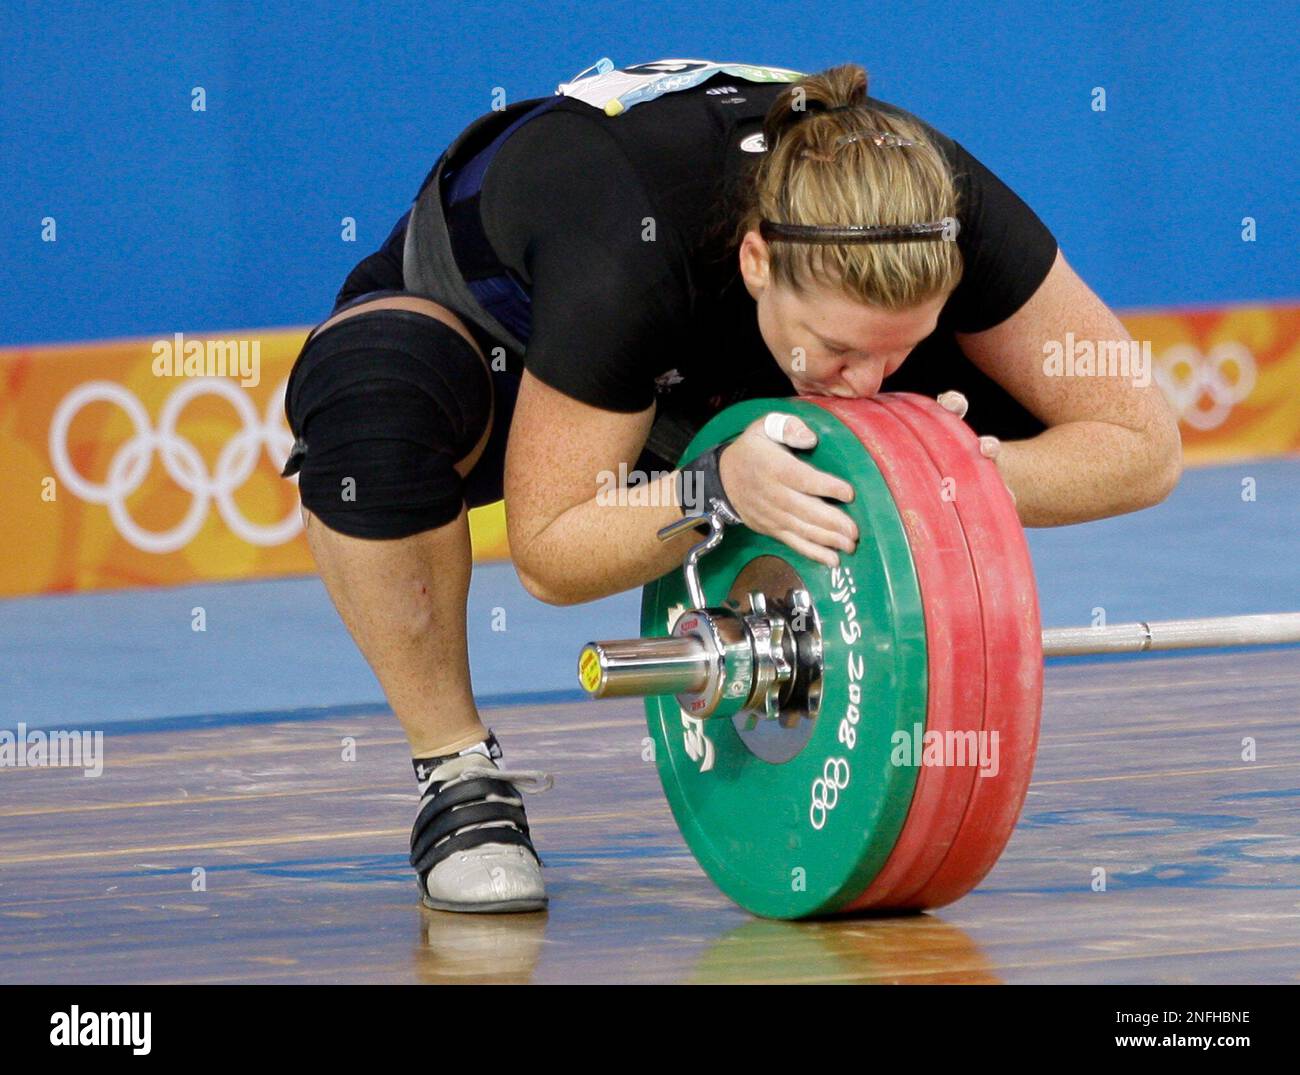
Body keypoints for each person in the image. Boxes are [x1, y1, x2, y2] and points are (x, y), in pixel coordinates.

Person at [280, 59, 1182, 913]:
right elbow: (549, 553)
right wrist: (708, 490)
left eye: (898, 348)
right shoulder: (620, 256)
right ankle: (459, 774)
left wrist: (948, 472)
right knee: (372, 408)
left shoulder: (939, 204)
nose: (867, 381)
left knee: (975, 400)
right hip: (513, 345)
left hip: (728, 358)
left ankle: (847, 379)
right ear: (757, 261)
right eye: (840, 348)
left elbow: (1143, 445)